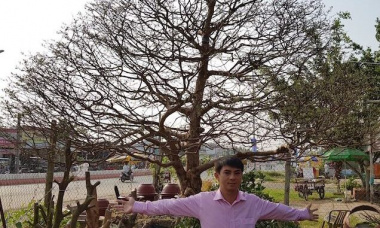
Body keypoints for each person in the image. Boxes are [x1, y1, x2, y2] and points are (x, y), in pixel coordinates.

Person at [114, 156, 318, 227]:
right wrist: (137, 205)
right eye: (227, 173)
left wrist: (302, 214)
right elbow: (169, 205)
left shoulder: (253, 202)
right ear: (217, 176)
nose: (232, 177)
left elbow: (279, 210)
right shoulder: (203, 201)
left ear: (241, 176)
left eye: (236, 173)